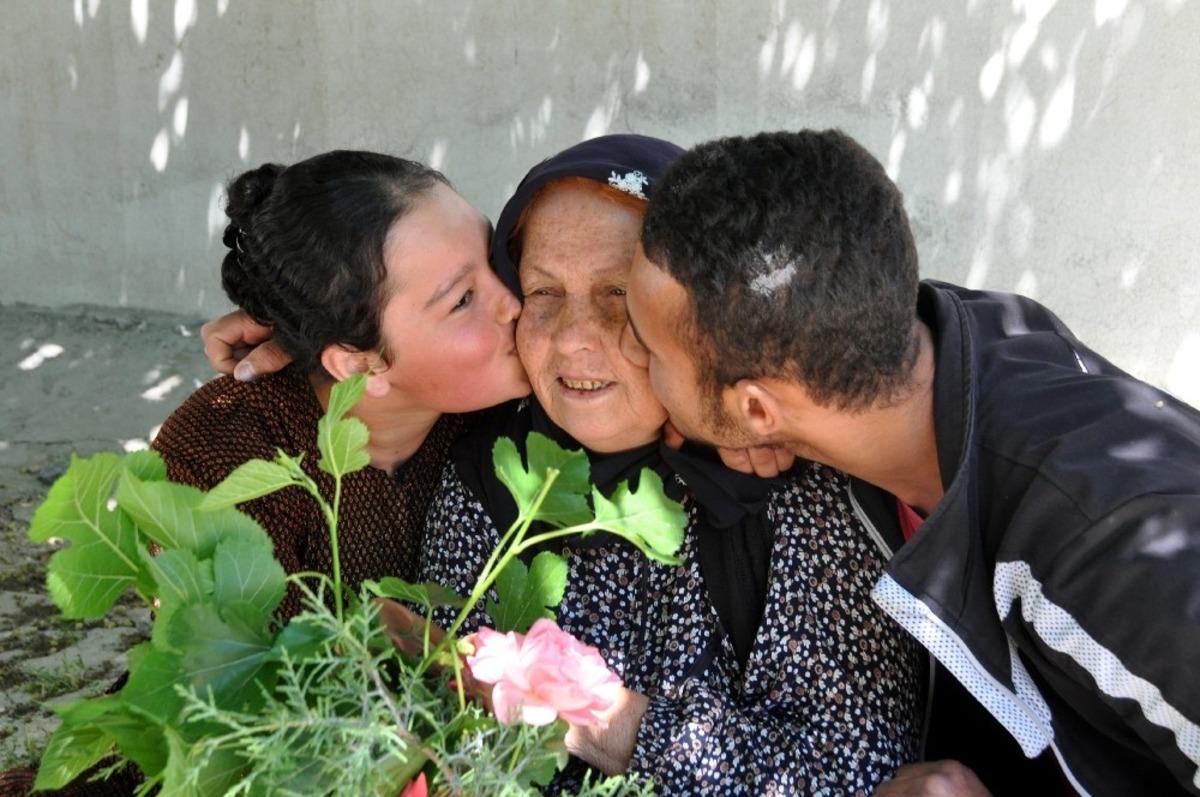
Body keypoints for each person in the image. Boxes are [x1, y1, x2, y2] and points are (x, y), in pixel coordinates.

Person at [623, 128, 1200, 795]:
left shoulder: (1112, 544)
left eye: (648, 345)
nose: (629, 356)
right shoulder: (930, 341)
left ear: (755, 407)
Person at [0, 150, 530, 797]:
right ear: (358, 364)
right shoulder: (226, 449)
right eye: (464, 298)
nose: (514, 301)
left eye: (492, 255)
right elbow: (259, 694)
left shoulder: (515, 401)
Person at [418, 134, 925, 794]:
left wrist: (610, 721)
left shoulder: (792, 483)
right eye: (543, 290)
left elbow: (851, 768)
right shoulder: (486, 473)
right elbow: (447, 737)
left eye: (618, 294)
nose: (573, 336)